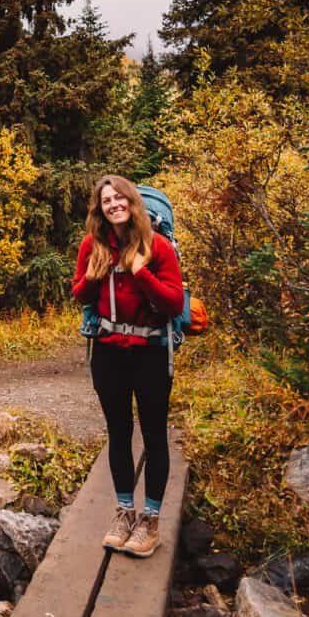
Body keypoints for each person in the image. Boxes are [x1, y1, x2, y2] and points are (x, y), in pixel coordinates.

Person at [72, 174, 184, 557]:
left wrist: (139, 270)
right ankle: (124, 513)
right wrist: (93, 272)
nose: (114, 204)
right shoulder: (92, 244)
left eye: (120, 197)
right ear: (99, 209)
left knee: (153, 435)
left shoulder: (159, 246)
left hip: (151, 351)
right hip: (107, 351)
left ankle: (150, 521)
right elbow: (78, 293)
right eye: (106, 200)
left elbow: (172, 302)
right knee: (118, 432)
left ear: (132, 202)